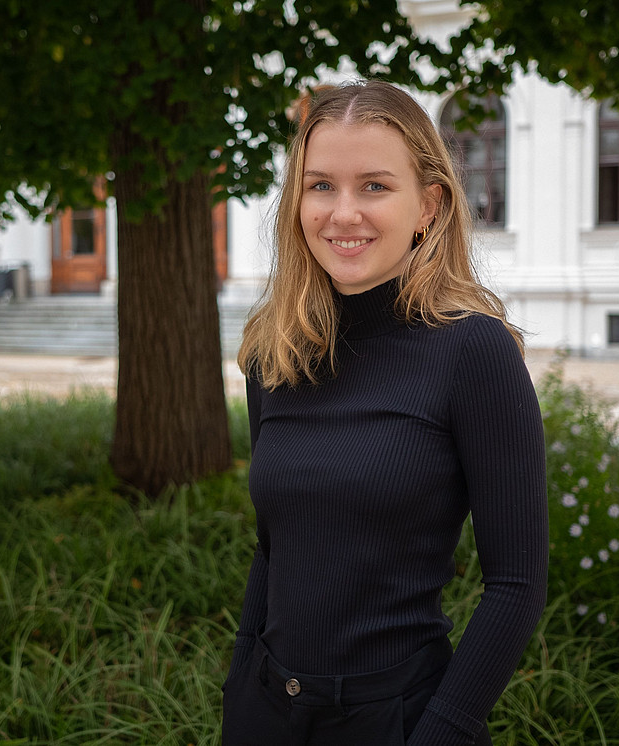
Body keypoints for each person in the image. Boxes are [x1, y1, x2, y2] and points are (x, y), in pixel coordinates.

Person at [223, 80, 548, 745]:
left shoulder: (472, 351)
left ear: (428, 204)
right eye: (320, 186)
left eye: (374, 186)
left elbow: (515, 585)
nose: (344, 213)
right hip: (267, 714)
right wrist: (237, 695)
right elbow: (274, 549)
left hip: (397, 719)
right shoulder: (275, 354)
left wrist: (441, 731)